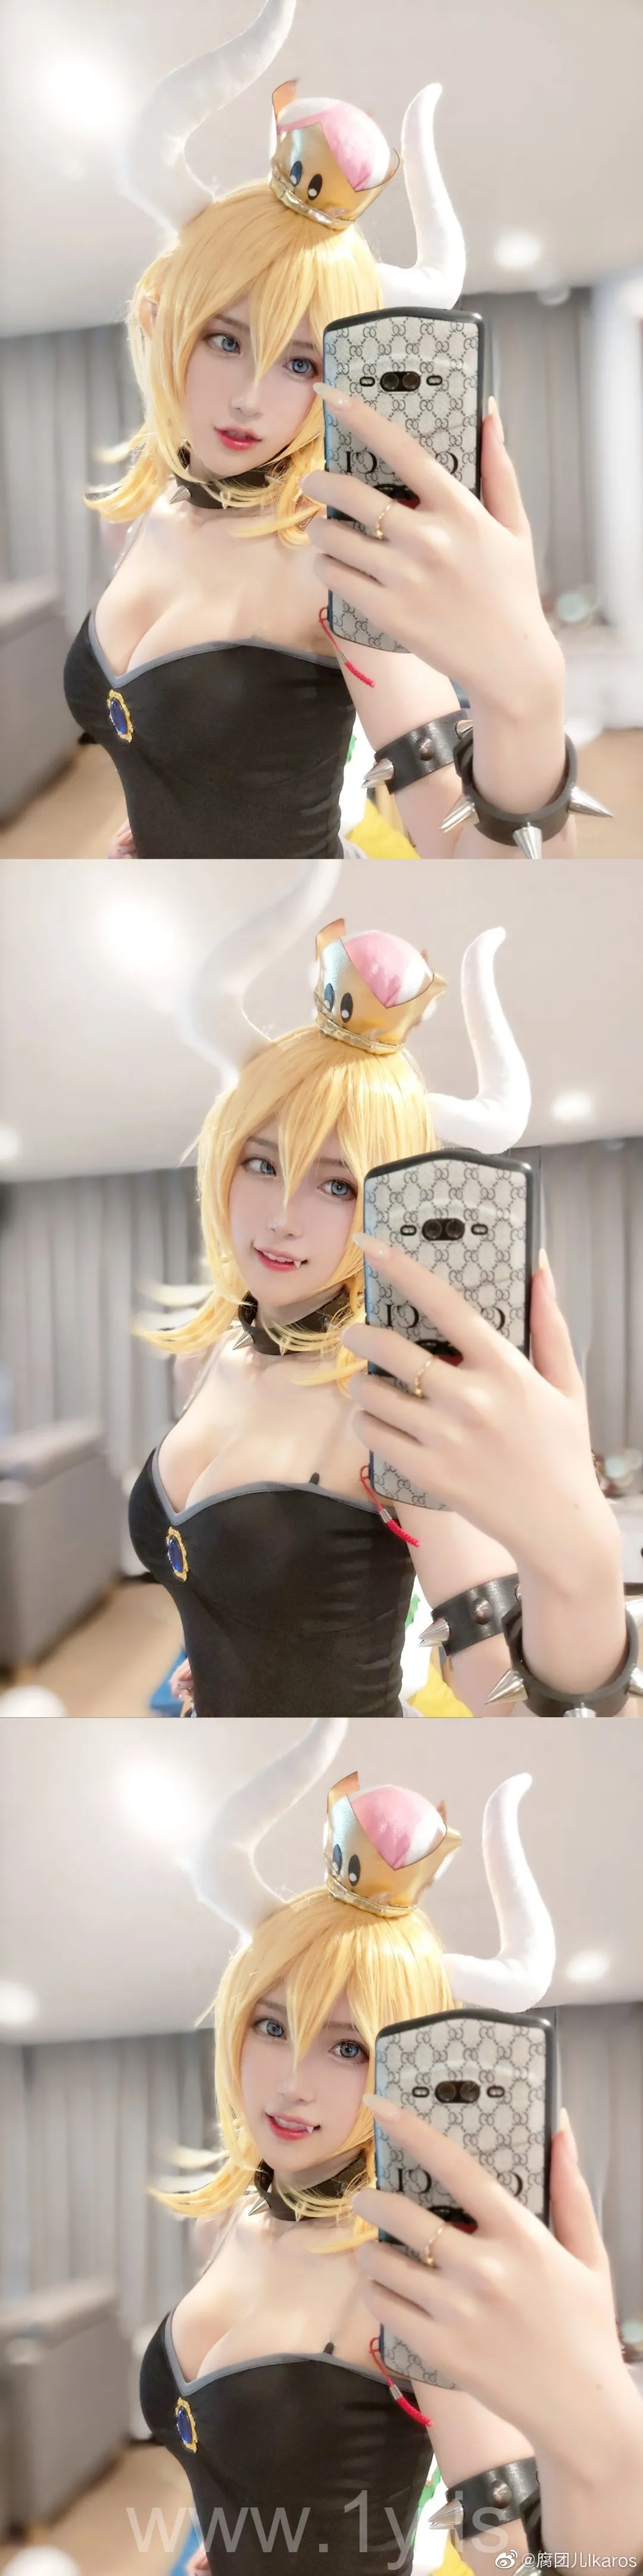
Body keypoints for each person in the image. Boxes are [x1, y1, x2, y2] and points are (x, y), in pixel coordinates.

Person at [61, 0, 583, 861]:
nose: (249, 400)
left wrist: (526, 696)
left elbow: (472, 860)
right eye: (227, 340)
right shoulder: (152, 515)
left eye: (301, 363)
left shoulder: (337, 569)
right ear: (161, 323)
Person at [127, 866, 633, 1719]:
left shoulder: (392, 1408)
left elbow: (506, 1702)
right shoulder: (215, 1357)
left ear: (387, 1203)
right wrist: (221, 1672)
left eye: (336, 1184)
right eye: (262, 1163)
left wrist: (582, 1562)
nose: (282, 1218)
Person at [138, 1722, 558, 2573]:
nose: (292, 2082)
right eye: (272, 2025)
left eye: (347, 2046)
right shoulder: (231, 2222)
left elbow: (512, 2552)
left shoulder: (414, 2274)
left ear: (403, 2064)